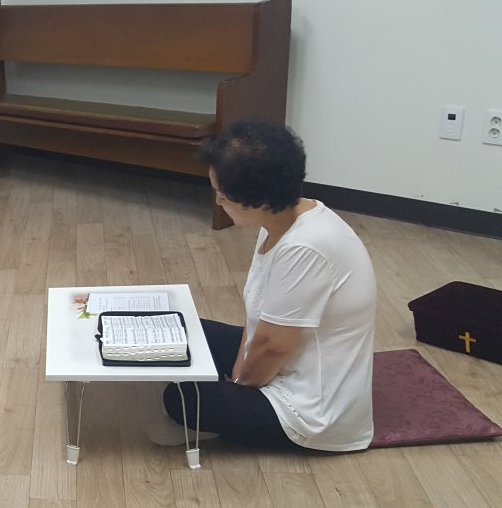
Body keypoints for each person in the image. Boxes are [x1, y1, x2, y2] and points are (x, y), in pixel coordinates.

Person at [149, 120, 377, 452]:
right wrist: (238, 371)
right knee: (183, 330)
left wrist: (237, 386)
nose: (218, 202)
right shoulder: (281, 220)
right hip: (290, 359)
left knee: (180, 397)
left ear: (256, 200)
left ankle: (224, 418)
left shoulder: (305, 247)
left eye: (222, 195)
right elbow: (260, 321)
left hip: (311, 409)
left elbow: (274, 347)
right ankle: (224, 402)